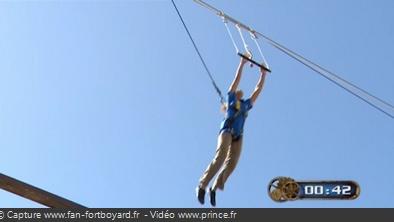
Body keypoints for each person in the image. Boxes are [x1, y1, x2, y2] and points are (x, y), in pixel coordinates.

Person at [196, 55, 268, 206]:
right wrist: (241, 64)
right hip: (227, 131)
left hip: (238, 136)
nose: (240, 92)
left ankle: (214, 188)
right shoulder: (231, 100)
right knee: (221, 157)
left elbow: (257, 91)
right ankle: (202, 185)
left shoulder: (246, 105)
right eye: (238, 92)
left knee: (232, 163)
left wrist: (262, 74)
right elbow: (236, 81)